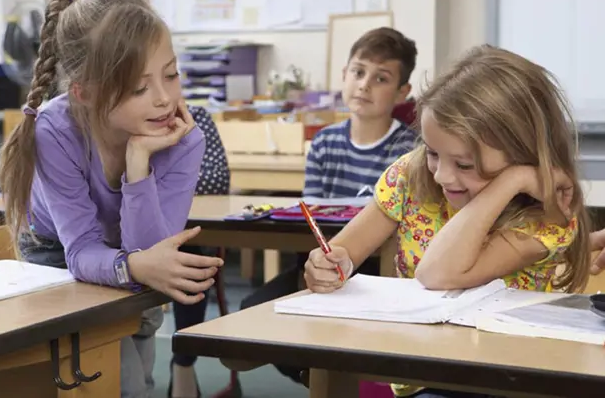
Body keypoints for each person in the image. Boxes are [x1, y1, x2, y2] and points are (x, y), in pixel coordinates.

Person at [304, 45, 591, 398]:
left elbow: (438, 273)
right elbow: (345, 249)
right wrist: (330, 264)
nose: (442, 176)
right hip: (425, 370)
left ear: (523, 155)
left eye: (465, 165)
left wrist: (509, 182)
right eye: (434, 153)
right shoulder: (410, 175)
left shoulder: (546, 217)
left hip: (505, 380)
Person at [0, 0, 223, 398]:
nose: (163, 100)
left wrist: (139, 168)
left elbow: (153, 249)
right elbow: (81, 252)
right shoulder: (56, 131)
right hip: (56, 252)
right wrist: (136, 265)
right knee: (121, 381)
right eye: (139, 87)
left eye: (171, 75)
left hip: (133, 253)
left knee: (141, 374)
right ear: (83, 92)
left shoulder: (184, 138)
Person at [238, 27, 418, 385]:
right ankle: (317, 377)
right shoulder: (324, 143)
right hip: (325, 262)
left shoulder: (410, 149)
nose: (364, 85)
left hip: (380, 271)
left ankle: (340, 379)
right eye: (358, 72)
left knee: (351, 336)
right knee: (250, 320)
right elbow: (314, 219)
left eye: (380, 78)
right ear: (344, 75)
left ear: (402, 92)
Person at [169, 104, 230, 398]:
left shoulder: (195, 116)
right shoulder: (124, 118)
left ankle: (184, 360)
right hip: (123, 230)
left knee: (194, 259)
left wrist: (163, 182)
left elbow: (218, 178)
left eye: (171, 77)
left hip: (181, 228)